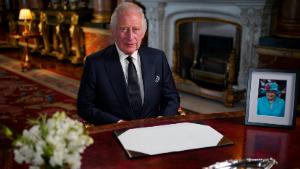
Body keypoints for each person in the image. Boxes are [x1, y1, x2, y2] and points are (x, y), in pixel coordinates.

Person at [77, 2, 180, 125]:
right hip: (114, 131)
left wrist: (161, 119)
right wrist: (118, 123)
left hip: (153, 130)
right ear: (113, 31)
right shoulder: (95, 63)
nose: (130, 36)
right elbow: (85, 106)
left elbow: (171, 97)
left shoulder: (158, 58)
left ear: (143, 33)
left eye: (135, 29)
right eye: (124, 29)